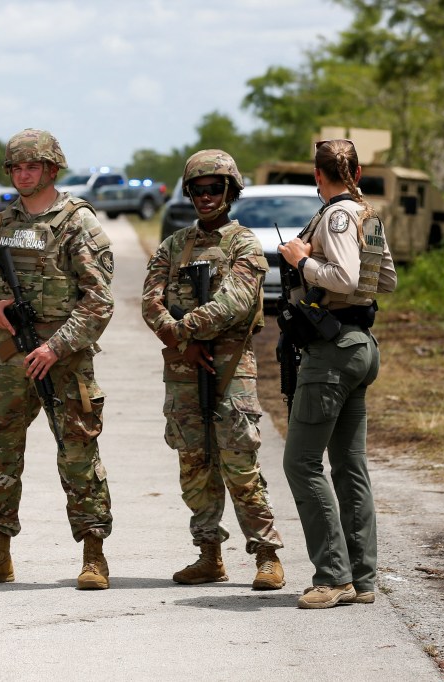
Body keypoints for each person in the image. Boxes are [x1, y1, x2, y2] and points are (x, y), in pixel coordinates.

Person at [0, 129, 114, 590]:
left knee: (78, 455)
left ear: (50, 169)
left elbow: (99, 301)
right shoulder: (2, 225)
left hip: (63, 360)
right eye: (16, 167)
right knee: (0, 453)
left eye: (31, 166)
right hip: (10, 358)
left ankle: (93, 556)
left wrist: (55, 347)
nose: (23, 174)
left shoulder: (77, 224)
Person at [141, 149, 286, 590]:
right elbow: (151, 299)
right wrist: (182, 340)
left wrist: (185, 329)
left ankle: (266, 555)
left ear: (230, 191)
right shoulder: (174, 245)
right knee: (194, 464)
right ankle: (208, 555)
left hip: (229, 368)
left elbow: (236, 301)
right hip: (184, 368)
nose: (206, 197)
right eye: (198, 190)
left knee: (240, 464)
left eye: (214, 189)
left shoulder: (242, 243)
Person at [278, 138, 396, 609]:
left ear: (317, 175)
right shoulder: (368, 215)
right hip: (360, 345)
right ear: (359, 171)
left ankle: (333, 576)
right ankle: (362, 579)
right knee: (348, 465)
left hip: (334, 351)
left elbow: (346, 278)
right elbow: (384, 281)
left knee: (301, 463)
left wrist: (301, 260)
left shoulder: (338, 216)